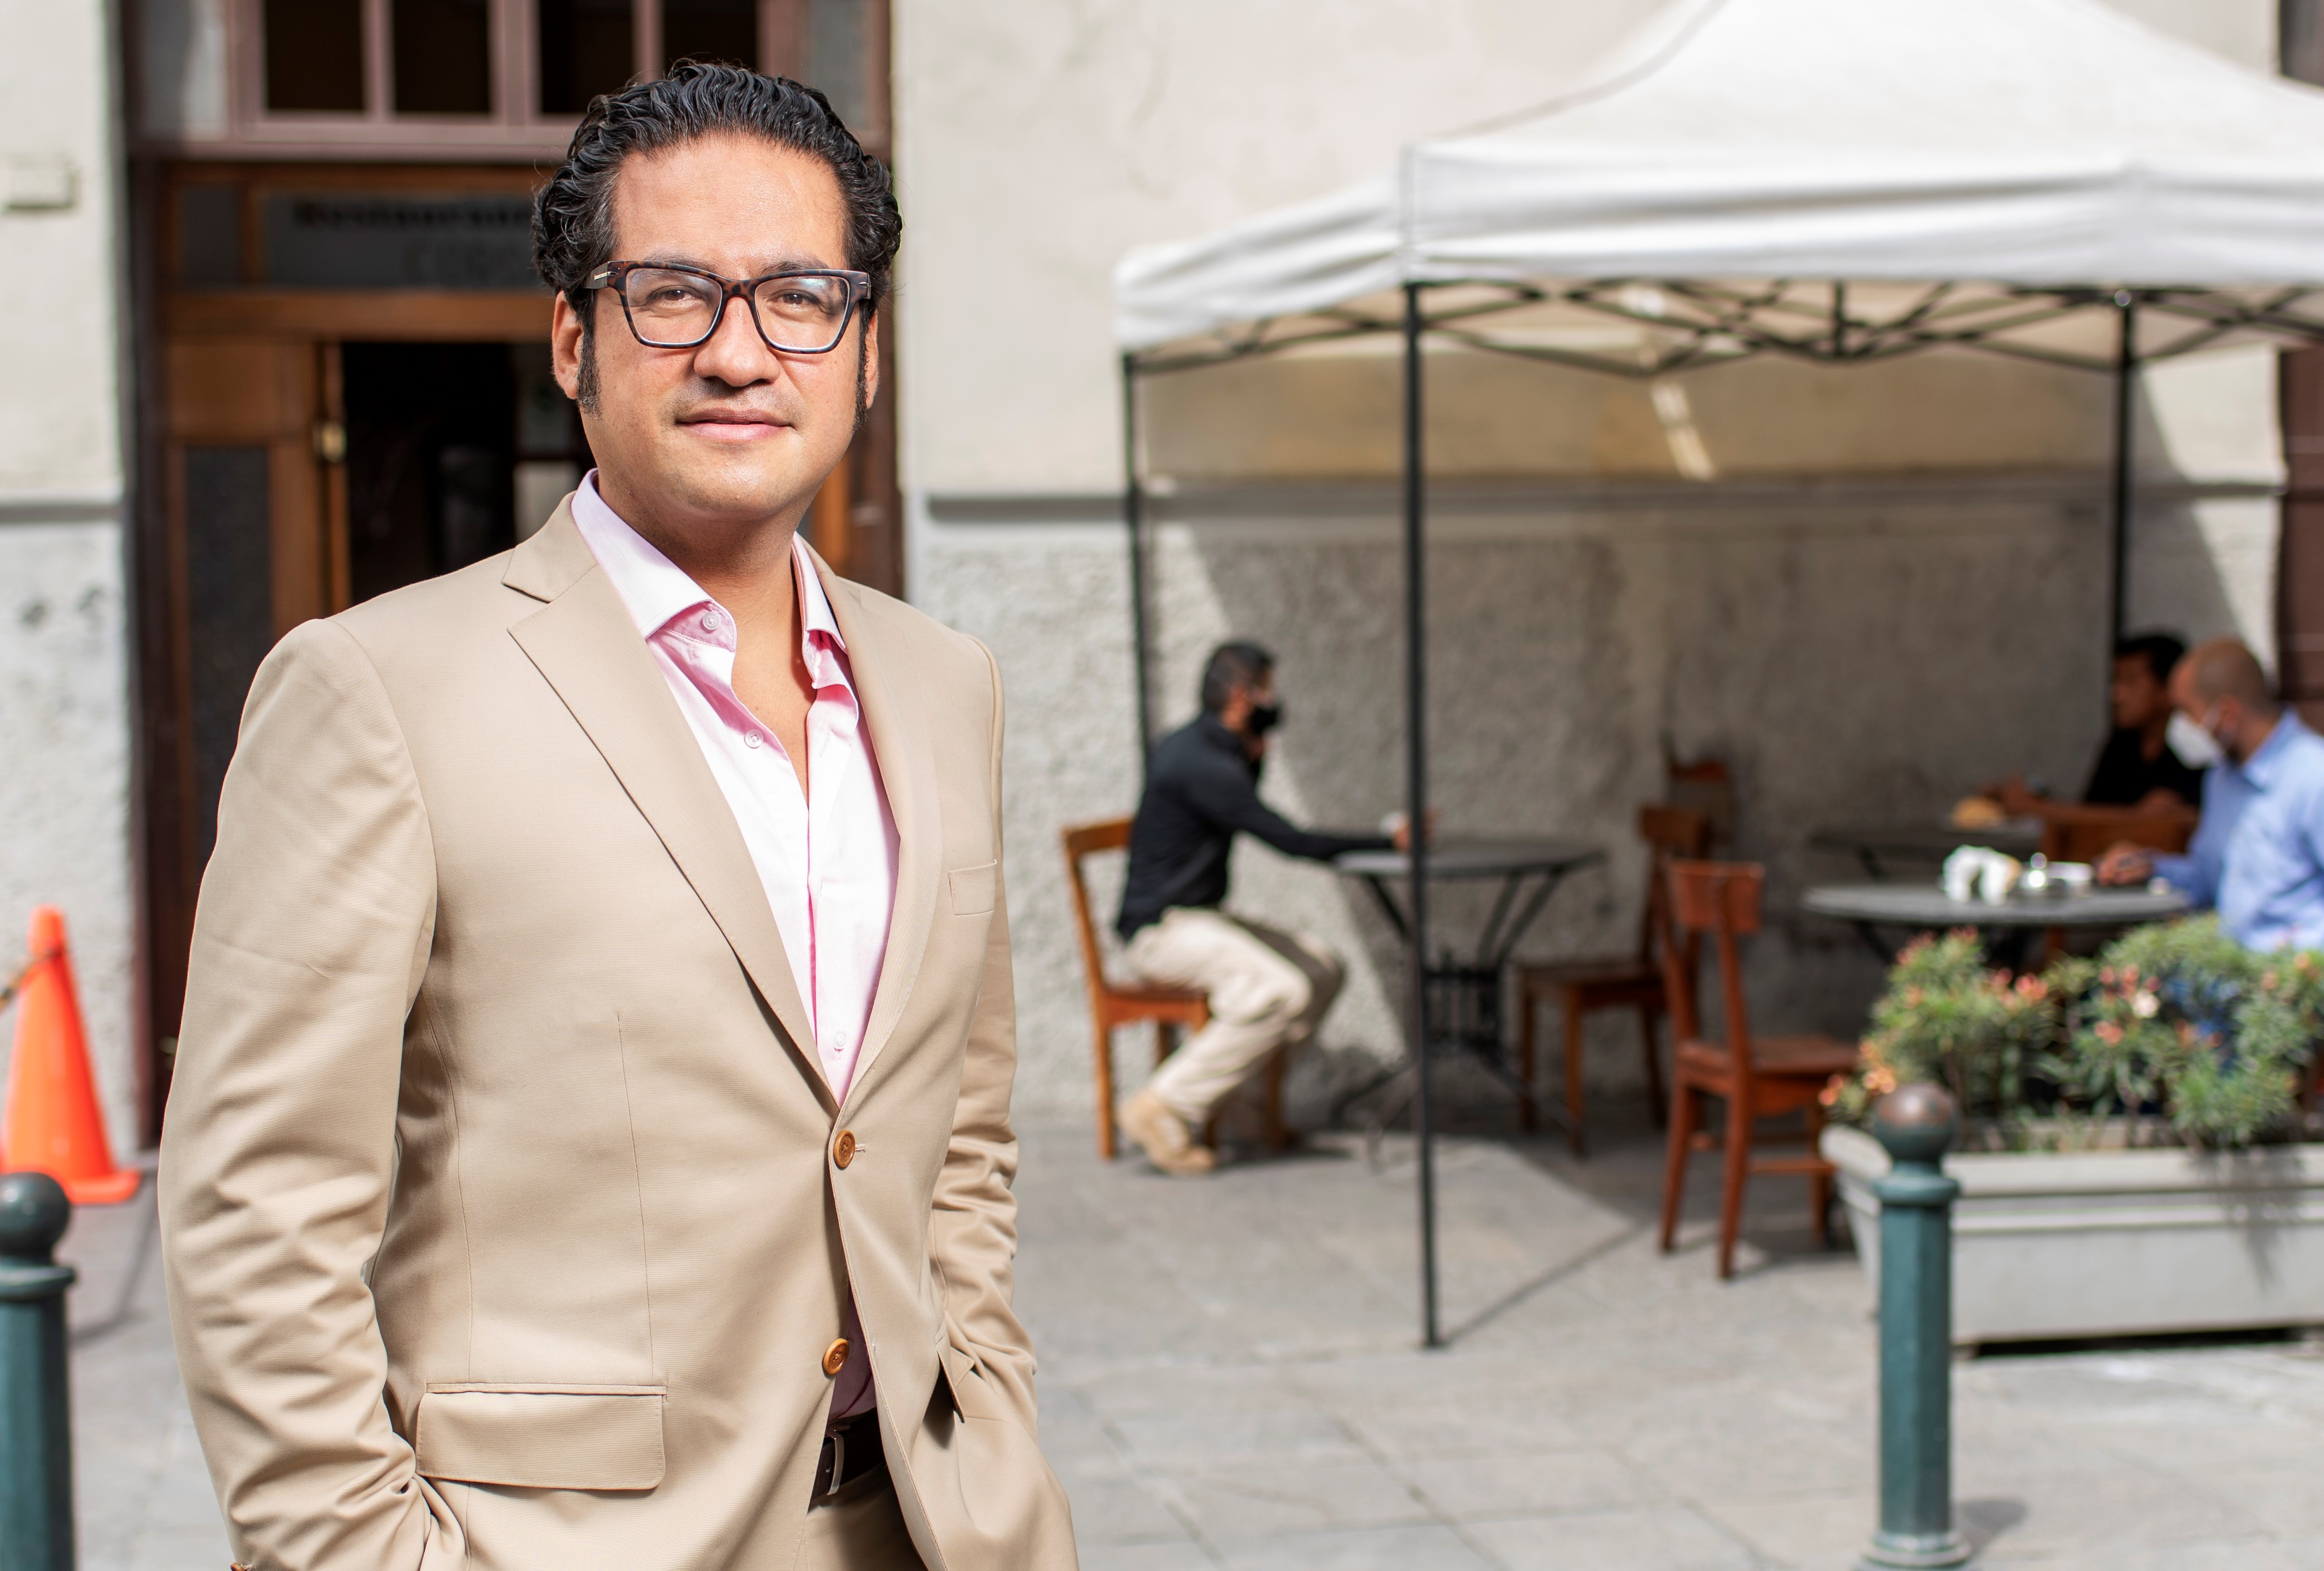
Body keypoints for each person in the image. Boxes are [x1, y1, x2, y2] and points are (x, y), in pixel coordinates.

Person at [158, 67, 1073, 1571]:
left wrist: (992, 1411)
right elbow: (262, 1199)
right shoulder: (377, 686)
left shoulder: (943, 680)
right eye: (672, 295)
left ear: (863, 350)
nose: (738, 350)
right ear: (574, 340)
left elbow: (957, 1130)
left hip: (931, 1521)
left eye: (799, 295)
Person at [1113, 642, 1404, 1174]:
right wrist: (1388, 841)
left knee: (1322, 968)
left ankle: (1245, 1100)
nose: (1276, 702)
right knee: (1278, 989)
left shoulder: (1209, 750)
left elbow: (1246, 815)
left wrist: (1254, 758)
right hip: (1162, 930)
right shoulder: (1202, 763)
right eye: (1269, 689)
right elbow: (1289, 839)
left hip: (1200, 917)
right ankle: (1162, 1105)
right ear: (1244, 697)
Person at [2096, 639, 2324, 951]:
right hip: (2226, 973)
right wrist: (2152, 868)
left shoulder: (2313, 775)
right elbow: (2210, 879)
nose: (2177, 727)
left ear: (2227, 714)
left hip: (2294, 983)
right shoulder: (2221, 777)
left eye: (2185, 712)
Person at [1993, 632, 2204, 815]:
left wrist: (2037, 809)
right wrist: (2037, 801)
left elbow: (2151, 820)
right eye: (2115, 681)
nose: (2117, 695)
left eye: (2130, 681)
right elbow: (2092, 810)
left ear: (2168, 688)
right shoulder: (2123, 742)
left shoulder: (2193, 745)